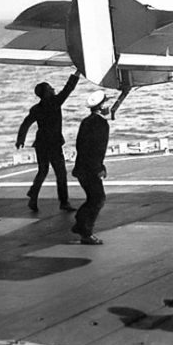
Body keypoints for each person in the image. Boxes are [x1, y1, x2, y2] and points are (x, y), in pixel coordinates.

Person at [16, 71, 80, 212]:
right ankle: (64, 202)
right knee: (60, 173)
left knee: (42, 171)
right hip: (54, 144)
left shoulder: (36, 109)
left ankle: (34, 193)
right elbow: (68, 88)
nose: (53, 89)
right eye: (50, 88)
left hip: (41, 144)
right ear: (46, 93)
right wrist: (77, 73)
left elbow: (26, 123)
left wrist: (20, 139)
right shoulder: (55, 103)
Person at [71, 91, 110, 246]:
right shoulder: (100, 123)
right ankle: (85, 232)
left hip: (82, 167)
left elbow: (81, 145)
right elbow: (96, 149)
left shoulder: (86, 121)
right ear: (100, 107)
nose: (109, 105)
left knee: (93, 198)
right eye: (106, 102)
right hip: (90, 168)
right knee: (98, 199)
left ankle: (80, 224)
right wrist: (99, 168)